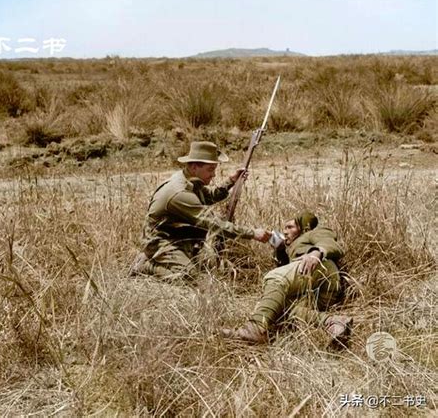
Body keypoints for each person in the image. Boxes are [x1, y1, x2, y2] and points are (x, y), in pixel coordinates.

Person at [131, 141, 271, 283]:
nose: (214, 175)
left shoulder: (189, 179)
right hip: (159, 241)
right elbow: (214, 224)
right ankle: (145, 265)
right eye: (210, 170)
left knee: (201, 265)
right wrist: (253, 233)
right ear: (194, 166)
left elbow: (209, 197)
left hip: (176, 235)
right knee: (191, 277)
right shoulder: (179, 192)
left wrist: (231, 181)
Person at [221, 211, 353, 344]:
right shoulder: (290, 248)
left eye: (290, 227)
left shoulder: (313, 232)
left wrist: (315, 253)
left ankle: (255, 329)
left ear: (303, 228)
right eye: (284, 228)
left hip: (321, 269)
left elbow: (328, 241)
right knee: (277, 308)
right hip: (313, 290)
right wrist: (279, 249)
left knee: (274, 277)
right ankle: (333, 322)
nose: (285, 231)